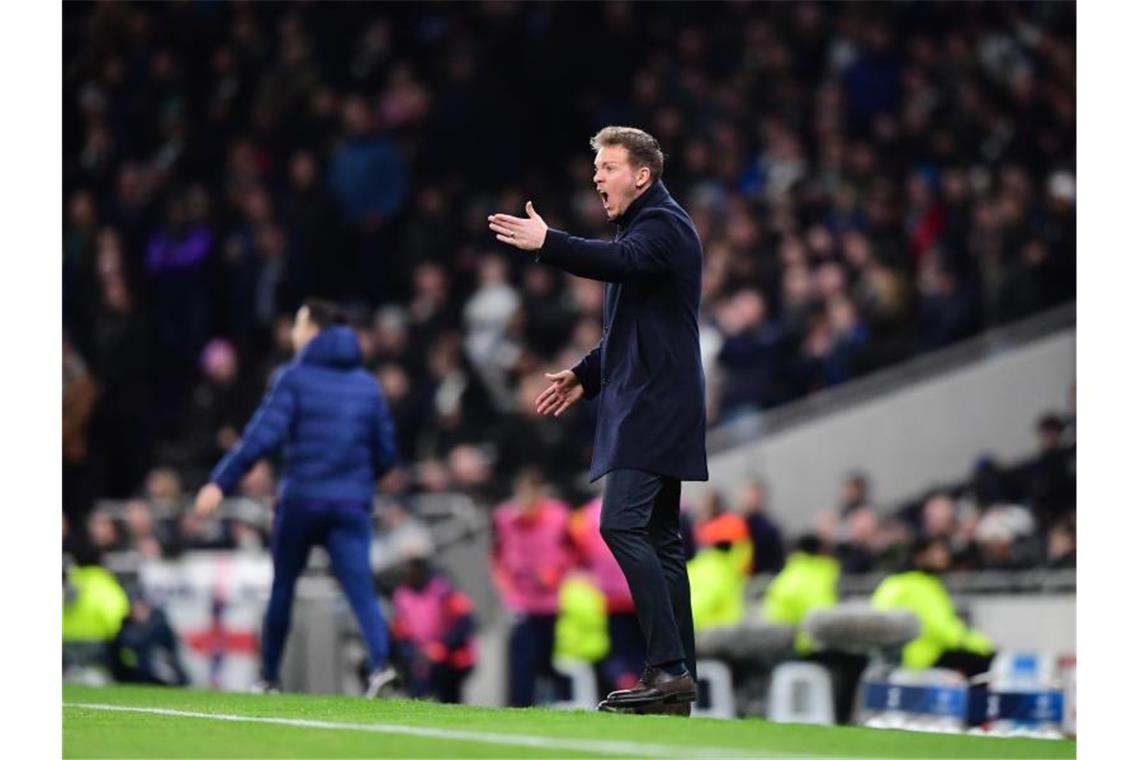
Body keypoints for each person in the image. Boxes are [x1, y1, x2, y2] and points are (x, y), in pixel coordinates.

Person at [489, 126, 707, 715]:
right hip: (656, 400)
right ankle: (676, 679)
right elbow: (633, 330)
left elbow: (618, 264)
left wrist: (547, 242)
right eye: (596, 167)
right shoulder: (646, 229)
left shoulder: (662, 226)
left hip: (655, 406)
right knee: (660, 540)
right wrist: (586, 373)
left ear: (642, 175)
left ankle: (667, 669)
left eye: (608, 167)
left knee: (621, 526)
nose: (596, 177)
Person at [194, 299, 399, 697]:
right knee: (360, 588)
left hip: (301, 501)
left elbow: (261, 436)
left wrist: (221, 481)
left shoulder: (294, 378)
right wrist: (356, 481)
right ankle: (381, 666)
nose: (293, 332)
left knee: (284, 587)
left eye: (299, 324)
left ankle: (269, 677)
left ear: (313, 331)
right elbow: (387, 452)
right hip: (351, 505)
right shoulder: (367, 385)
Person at [490, 470, 575, 707]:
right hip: (520, 601)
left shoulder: (558, 516)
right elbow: (496, 555)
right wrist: (505, 585)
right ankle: (520, 706)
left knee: (546, 660)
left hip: (550, 601)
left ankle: (560, 698)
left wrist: (555, 574)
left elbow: (572, 552)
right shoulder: (505, 518)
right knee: (522, 662)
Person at [871, 537, 995, 678]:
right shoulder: (921, 586)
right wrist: (984, 646)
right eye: (937, 550)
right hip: (923, 659)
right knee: (987, 663)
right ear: (921, 556)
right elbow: (944, 631)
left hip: (894, 660)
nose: (944, 555)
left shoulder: (892, 583)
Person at [389, 552, 477, 704]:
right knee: (417, 689)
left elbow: (465, 622)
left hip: (448, 656)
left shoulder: (443, 589)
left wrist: (440, 647)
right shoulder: (401, 595)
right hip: (418, 659)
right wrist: (415, 653)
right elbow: (400, 634)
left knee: (449, 695)